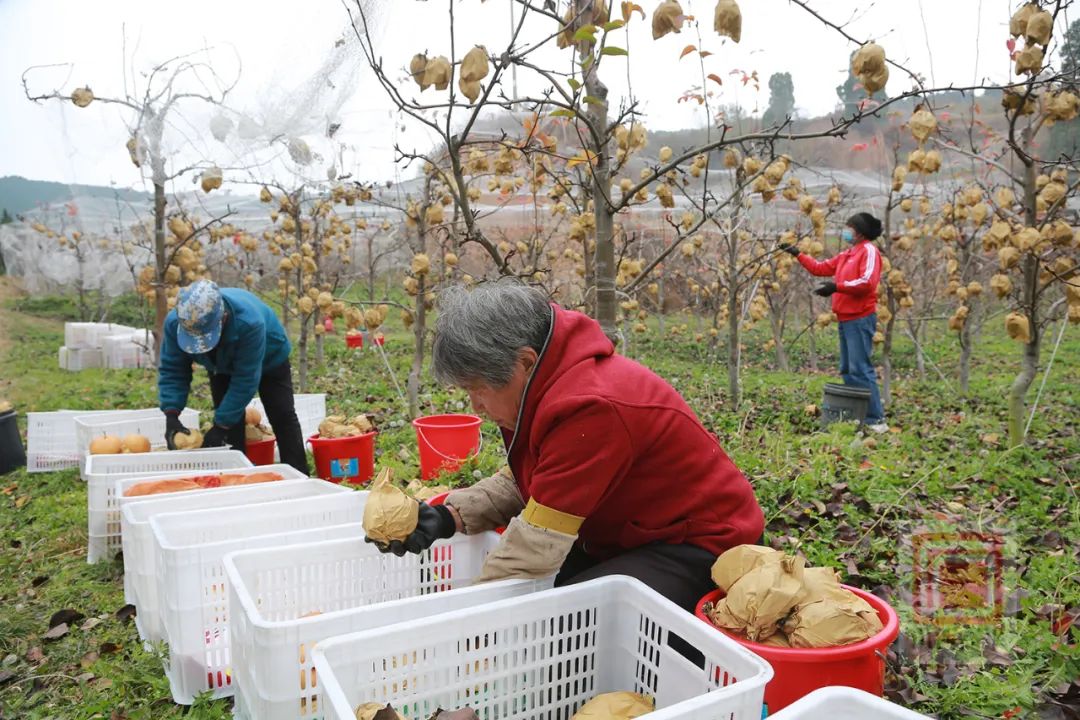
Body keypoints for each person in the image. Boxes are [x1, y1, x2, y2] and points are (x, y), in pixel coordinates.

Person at [367, 282, 764, 613]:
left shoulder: (590, 408)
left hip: (700, 547)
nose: (476, 406)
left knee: (571, 620)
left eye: (478, 389)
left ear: (524, 362)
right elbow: (538, 479)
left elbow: (536, 544)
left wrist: (464, 620)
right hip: (629, 533)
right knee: (552, 597)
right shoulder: (554, 383)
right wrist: (449, 516)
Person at [158, 280, 310, 474]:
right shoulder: (176, 323)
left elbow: (245, 380)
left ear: (223, 318)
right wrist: (171, 414)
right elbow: (173, 369)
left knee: (281, 414)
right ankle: (237, 478)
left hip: (270, 357)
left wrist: (220, 425)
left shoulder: (249, 322)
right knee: (231, 425)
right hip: (219, 365)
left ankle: (299, 475)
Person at [781, 212, 887, 432]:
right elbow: (821, 268)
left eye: (849, 227)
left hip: (860, 317)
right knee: (848, 368)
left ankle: (876, 419)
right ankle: (859, 413)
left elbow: (867, 282)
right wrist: (797, 254)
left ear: (859, 232)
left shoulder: (869, 251)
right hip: (846, 317)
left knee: (860, 368)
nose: (846, 231)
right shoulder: (847, 254)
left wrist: (836, 287)